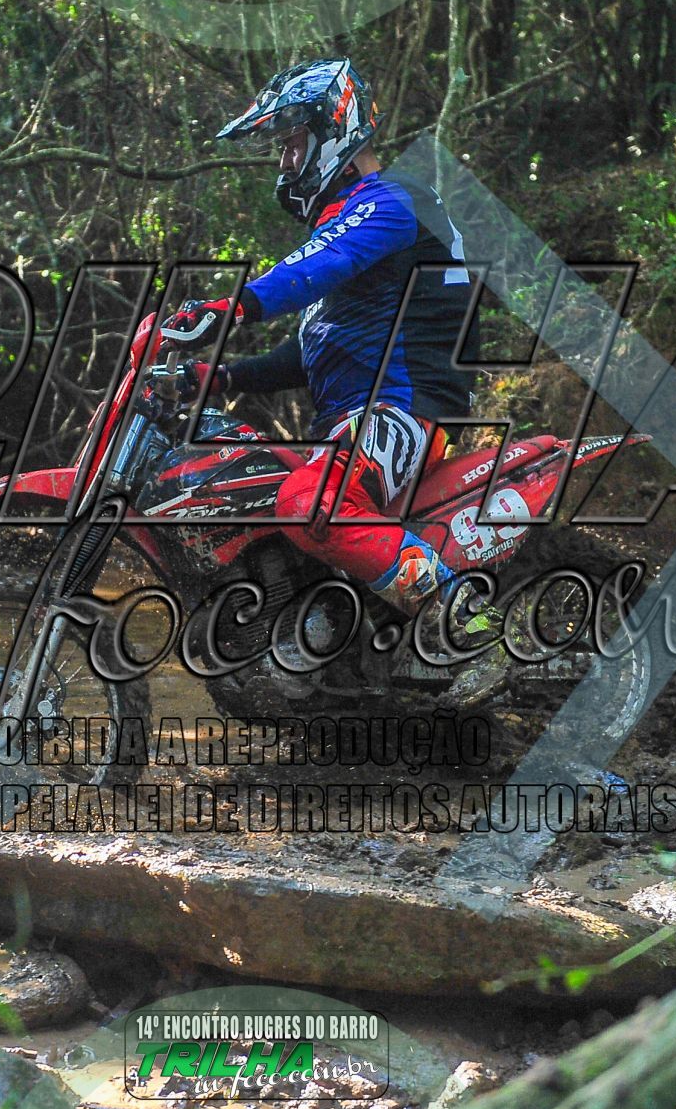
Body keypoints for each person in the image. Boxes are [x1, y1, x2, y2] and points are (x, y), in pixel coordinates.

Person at [157, 58, 495, 660]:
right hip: (352, 418)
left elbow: (316, 268)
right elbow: (312, 349)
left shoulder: (393, 200)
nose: (284, 163)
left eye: (291, 144)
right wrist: (220, 377)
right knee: (252, 485)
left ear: (332, 131)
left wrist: (231, 307)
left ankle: (468, 626)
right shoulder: (355, 226)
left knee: (310, 503)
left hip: (403, 409)